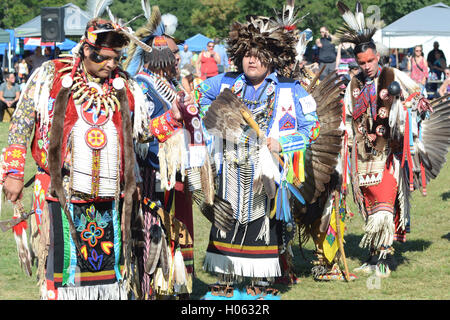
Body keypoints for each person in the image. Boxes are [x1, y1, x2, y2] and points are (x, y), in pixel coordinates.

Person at [0, 11, 154, 299]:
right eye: (103, 58)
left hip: (110, 195)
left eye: (116, 59)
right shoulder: (51, 75)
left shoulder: (126, 86)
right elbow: (21, 124)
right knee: (62, 272)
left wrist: (173, 120)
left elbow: (141, 134)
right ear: (86, 49)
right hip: (63, 193)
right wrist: (13, 173)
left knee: (110, 277)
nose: (111, 64)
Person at [195, 5, 320, 299]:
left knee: (260, 220)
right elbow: (200, 95)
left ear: (272, 58)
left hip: (266, 170)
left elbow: (312, 129)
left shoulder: (290, 90)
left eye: (260, 54)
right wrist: (218, 121)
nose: (252, 59)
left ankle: (260, 281)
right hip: (230, 165)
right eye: (248, 53)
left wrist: (282, 143)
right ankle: (226, 277)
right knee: (228, 216)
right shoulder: (226, 82)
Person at [337, 1, 447, 278]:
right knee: (370, 205)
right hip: (362, 155)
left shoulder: (391, 75)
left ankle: (383, 262)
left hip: (389, 154)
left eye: (370, 61)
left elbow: (416, 95)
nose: (367, 66)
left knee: (385, 205)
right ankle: (373, 257)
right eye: (362, 63)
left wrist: (416, 103)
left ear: (378, 57)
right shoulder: (353, 84)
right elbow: (348, 117)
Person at [123, 6, 197, 299]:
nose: (180, 60)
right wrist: (174, 119)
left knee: (172, 233)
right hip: (152, 172)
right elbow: (142, 131)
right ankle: (151, 289)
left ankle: (170, 286)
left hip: (172, 172)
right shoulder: (141, 87)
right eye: (175, 56)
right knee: (153, 235)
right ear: (161, 59)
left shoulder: (169, 85)